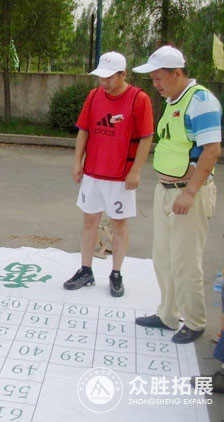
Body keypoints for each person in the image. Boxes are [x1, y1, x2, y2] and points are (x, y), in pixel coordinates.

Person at [133, 45, 221, 344]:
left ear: (177, 73)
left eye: (159, 78)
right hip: (166, 191)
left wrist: (191, 192)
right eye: (153, 79)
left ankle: (194, 321)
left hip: (188, 193)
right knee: (163, 257)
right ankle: (168, 314)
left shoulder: (201, 101)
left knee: (185, 261)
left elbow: (212, 149)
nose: (155, 84)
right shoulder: (173, 100)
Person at [63, 51, 154, 297]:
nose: (104, 82)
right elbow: (84, 130)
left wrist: (136, 171)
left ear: (123, 74)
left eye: (109, 78)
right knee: (89, 222)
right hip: (93, 172)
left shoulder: (139, 99)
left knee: (118, 225)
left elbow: (147, 137)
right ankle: (85, 270)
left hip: (120, 176)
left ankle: (116, 273)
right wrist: (77, 162)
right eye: (100, 77)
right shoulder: (94, 96)